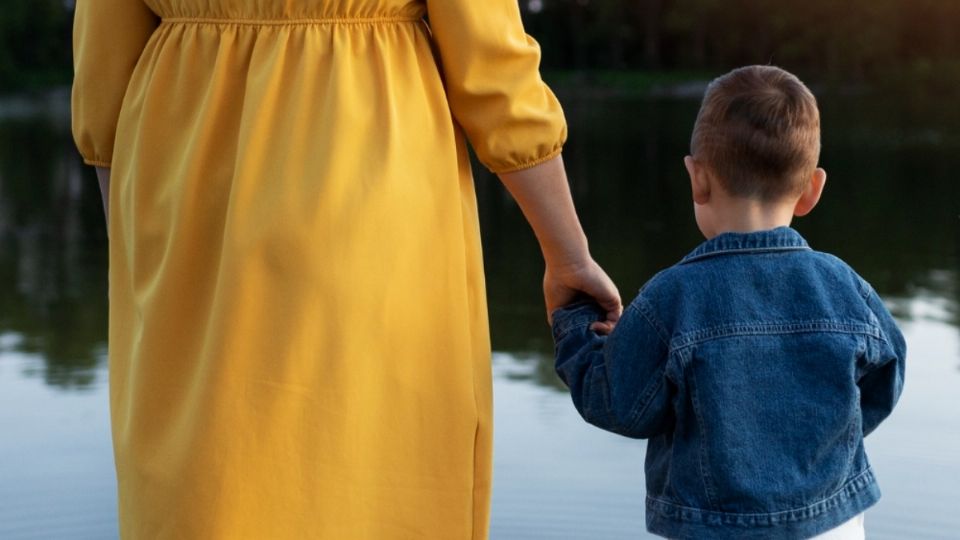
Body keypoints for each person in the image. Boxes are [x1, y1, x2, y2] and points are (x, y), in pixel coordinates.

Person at [71, 0, 621, 537]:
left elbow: (103, 67)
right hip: (367, 166)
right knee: (368, 464)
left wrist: (133, 247)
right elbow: (493, 67)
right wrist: (567, 254)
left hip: (183, 181)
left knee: (204, 477)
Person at [551, 65, 906, 539]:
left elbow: (617, 403)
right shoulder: (844, 286)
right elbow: (887, 376)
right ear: (811, 191)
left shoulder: (671, 299)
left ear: (696, 179)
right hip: (831, 520)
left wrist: (575, 321)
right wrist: (821, 439)